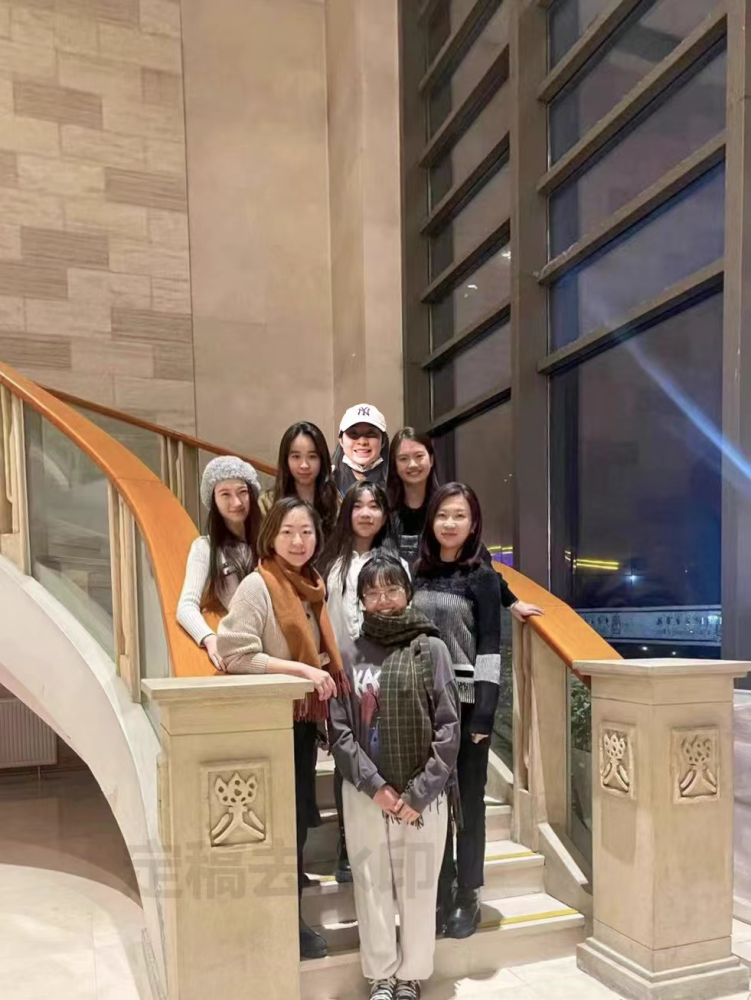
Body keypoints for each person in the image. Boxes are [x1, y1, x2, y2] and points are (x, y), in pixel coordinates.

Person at [216, 497, 348, 960]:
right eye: (288, 532)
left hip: (301, 724)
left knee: (295, 824)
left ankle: (290, 917)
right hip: (272, 724)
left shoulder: (313, 585)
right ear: (270, 536)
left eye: (306, 532)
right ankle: (285, 925)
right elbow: (235, 654)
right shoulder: (258, 584)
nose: (298, 541)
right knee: (279, 827)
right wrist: (302, 671)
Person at [412, 483, 542, 939]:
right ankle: (439, 888)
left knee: (467, 803)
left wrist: (485, 713)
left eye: (459, 516)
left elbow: (489, 646)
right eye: (442, 515)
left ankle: (468, 893)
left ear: (473, 524)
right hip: (423, 704)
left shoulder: (482, 577)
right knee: (431, 802)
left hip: (467, 706)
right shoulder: (418, 572)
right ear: (431, 521)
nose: (450, 523)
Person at [329, 553, 460, 1000]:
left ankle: (411, 975)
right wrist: (376, 787)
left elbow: (448, 728)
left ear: (407, 593)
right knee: (371, 885)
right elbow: (340, 730)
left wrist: (419, 793)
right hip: (366, 794)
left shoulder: (432, 648)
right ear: (361, 600)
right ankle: (381, 976)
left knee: (419, 888)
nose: (383, 600)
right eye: (373, 592)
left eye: (392, 589)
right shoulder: (347, 653)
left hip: (423, 797)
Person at [323, 482, 409, 883]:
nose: (366, 513)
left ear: (384, 514)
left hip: (387, 674)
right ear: (348, 513)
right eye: (358, 506)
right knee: (347, 753)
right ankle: (347, 845)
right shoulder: (331, 563)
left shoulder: (396, 563)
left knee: (384, 751)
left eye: (375, 506)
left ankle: (391, 839)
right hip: (345, 672)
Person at [176, 456, 262, 671]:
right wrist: (209, 638)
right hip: (245, 652)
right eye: (225, 494)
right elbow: (186, 606)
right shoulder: (205, 547)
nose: (237, 502)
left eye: (242, 492)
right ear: (213, 499)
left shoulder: (271, 542)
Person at [259, 421, 341, 541]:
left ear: (322, 460)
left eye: (312, 456)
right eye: (296, 457)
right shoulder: (267, 502)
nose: (304, 465)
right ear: (286, 460)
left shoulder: (335, 500)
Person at [387, 428, 440, 568]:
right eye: (403, 458)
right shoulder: (383, 510)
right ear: (394, 465)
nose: (412, 464)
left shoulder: (446, 506)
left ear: (431, 460)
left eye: (419, 456)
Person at [332, 404, 389, 496]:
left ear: (383, 440)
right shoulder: (329, 481)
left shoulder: (396, 480)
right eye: (353, 433)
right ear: (341, 440)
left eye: (371, 433)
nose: (362, 442)